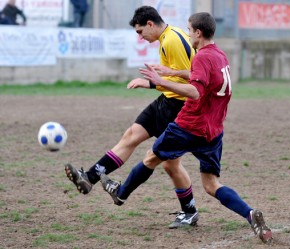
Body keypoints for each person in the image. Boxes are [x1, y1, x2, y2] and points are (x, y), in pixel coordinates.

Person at [100, 12, 273, 243]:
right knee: (211, 185)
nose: (188, 33)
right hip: (213, 131)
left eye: (190, 30)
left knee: (151, 158)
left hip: (189, 125)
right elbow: (199, 77)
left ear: (198, 33)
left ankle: (120, 194)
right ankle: (250, 214)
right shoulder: (219, 55)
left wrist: (161, 82)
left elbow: (195, 91)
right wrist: (173, 72)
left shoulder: (201, 57)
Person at [65, 6, 199, 228]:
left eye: (139, 32)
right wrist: (154, 83)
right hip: (165, 101)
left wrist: (152, 82)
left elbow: (192, 80)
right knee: (131, 136)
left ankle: (190, 211)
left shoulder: (172, 41)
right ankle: (89, 178)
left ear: (150, 24)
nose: (140, 37)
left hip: (179, 107)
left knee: (170, 165)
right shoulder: (169, 36)